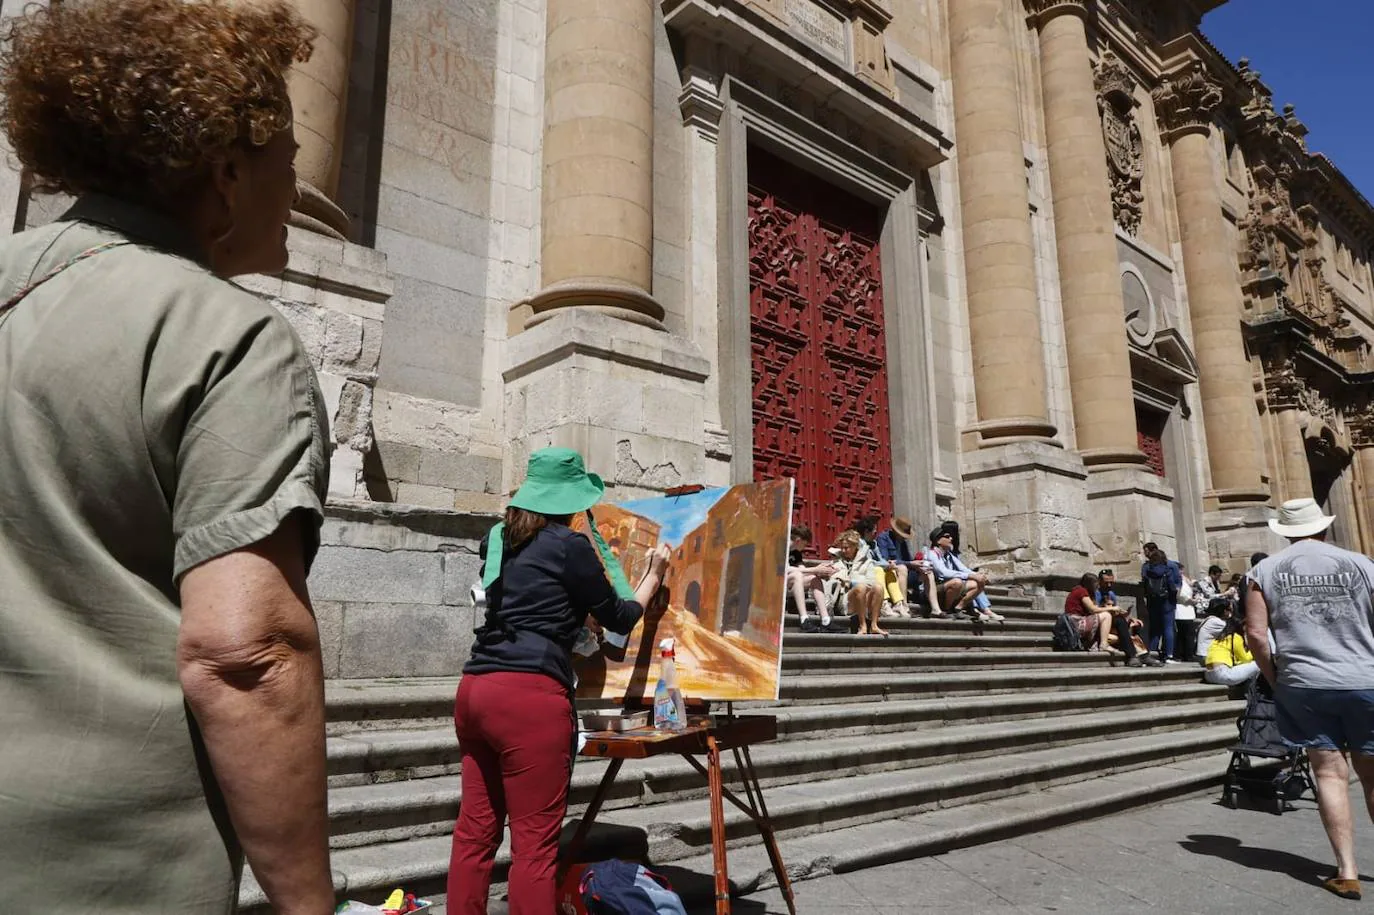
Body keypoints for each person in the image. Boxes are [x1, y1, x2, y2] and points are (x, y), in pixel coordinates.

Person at [0, 3, 334, 913]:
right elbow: (246, 652)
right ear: (226, 172)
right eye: (289, 164)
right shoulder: (229, 337)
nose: (299, 193)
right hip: (107, 870)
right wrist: (309, 904)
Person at [451, 448, 671, 913]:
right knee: (534, 849)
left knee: (475, 834)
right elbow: (620, 615)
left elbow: (525, 602)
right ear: (570, 499)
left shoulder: (497, 539)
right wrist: (652, 575)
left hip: (475, 687)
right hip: (529, 696)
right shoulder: (569, 546)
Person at [1247, 498, 1374, 901]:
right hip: (1365, 678)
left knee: (1330, 776)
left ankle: (1347, 871)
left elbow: (1255, 634)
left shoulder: (1262, 571)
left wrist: (1276, 678)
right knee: (1372, 776)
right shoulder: (1363, 564)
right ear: (1323, 526)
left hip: (1304, 683)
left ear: (1283, 531)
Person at [938, 519, 1005, 621]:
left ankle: (984, 609)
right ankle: (976, 609)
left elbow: (962, 568)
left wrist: (977, 575)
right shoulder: (935, 553)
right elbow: (945, 572)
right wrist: (972, 575)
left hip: (958, 577)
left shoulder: (952, 552)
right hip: (949, 581)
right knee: (971, 580)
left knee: (977, 580)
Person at [828, 529, 887, 636]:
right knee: (861, 588)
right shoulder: (836, 560)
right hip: (845, 600)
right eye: (842, 547)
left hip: (864, 597)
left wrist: (851, 582)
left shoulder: (867, 562)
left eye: (847, 547)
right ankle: (863, 625)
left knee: (878, 587)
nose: (843, 550)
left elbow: (871, 581)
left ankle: (874, 625)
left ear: (855, 547)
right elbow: (833, 577)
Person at [928, 527, 994, 621]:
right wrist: (970, 576)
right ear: (938, 540)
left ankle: (958, 608)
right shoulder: (932, 554)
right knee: (957, 582)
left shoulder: (949, 555)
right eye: (947, 537)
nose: (951, 538)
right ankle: (947, 610)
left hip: (949, 587)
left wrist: (979, 576)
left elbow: (964, 569)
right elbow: (943, 572)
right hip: (936, 587)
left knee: (978, 583)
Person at [787, 525, 836, 632]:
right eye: (805, 544)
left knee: (814, 578)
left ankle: (825, 620)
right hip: (778, 582)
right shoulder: (782, 547)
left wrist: (820, 571)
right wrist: (814, 568)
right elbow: (784, 569)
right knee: (797, 575)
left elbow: (803, 569)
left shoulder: (796, 553)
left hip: (792, 584)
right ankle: (804, 619)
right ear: (798, 540)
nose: (805, 547)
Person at [1141, 542, 1183, 664]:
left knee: (1155, 628)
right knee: (1168, 627)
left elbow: (1144, 582)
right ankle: (1169, 655)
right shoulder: (1171, 566)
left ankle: (1153, 652)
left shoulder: (1146, 567)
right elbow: (1177, 584)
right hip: (1168, 600)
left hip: (1152, 600)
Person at [1203, 613, 1259, 688]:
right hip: (1222, 674)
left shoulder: (1220, 638)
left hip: (1209, 675)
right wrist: (1253, 650)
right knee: (1260, 664)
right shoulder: (1235, 637)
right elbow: (1245, 659)